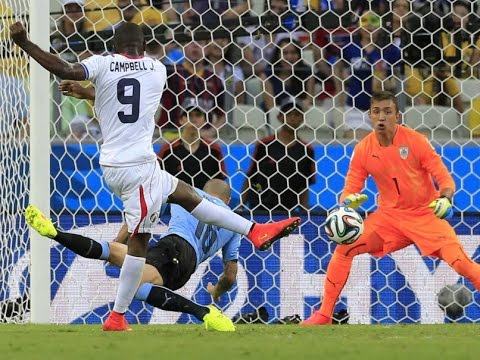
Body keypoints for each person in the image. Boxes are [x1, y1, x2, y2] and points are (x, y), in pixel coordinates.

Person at [10, 21, 300, 331]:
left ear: (114, 46)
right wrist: (86, 92)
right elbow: (130, 98)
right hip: (134, 168)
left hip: (128, 166)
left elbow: (71, 72)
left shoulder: (103, 63)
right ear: (144, 47)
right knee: (139, 243)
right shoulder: (156, 68)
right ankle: (118, 317)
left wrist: (26, 44)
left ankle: (255, 231)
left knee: (186, 194)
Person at [301, 91, 480, 325]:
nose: (381, 117)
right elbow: (350, 188)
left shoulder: (416, 141)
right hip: (389, 219)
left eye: (387, 111)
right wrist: (349, 202)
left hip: (426, 216)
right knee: (345, 247)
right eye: (376, 112)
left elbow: (445, 179)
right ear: (370, 116)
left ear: (398, 116)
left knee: (461, 264)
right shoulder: (364, 149)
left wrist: (445, 199)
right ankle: (324, 314)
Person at [25, 179, 239, 331]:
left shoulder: (188, 194)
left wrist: (121, 240)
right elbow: (230, 275)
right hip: (185, 263)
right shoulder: (232, 221)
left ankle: (203, 312)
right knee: (124, 268)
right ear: (227, 200)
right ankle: (56, 233)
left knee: (130, 279)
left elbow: (141, 215)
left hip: (173, 246)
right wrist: (217, 290)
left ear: (203, 189)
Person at [242, 98, 316, 213]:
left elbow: (304, 185)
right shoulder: (264, 145)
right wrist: (241, 206)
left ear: (302, 118)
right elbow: (251, 177)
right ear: (280, 117)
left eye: (297, 114)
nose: (292, 118)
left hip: (288, 211)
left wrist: (305, 213)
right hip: (260, 209)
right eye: (288, 114)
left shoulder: (306, 150)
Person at [157, 98, 227, 189]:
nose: (193, 120)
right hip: (175, 201)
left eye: (198, 115)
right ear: (181, 120)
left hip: (204, 201)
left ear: (205, 120)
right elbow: (157, 180)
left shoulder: (214, 150)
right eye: (189, 115)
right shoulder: (167, 150)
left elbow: (219, 184)